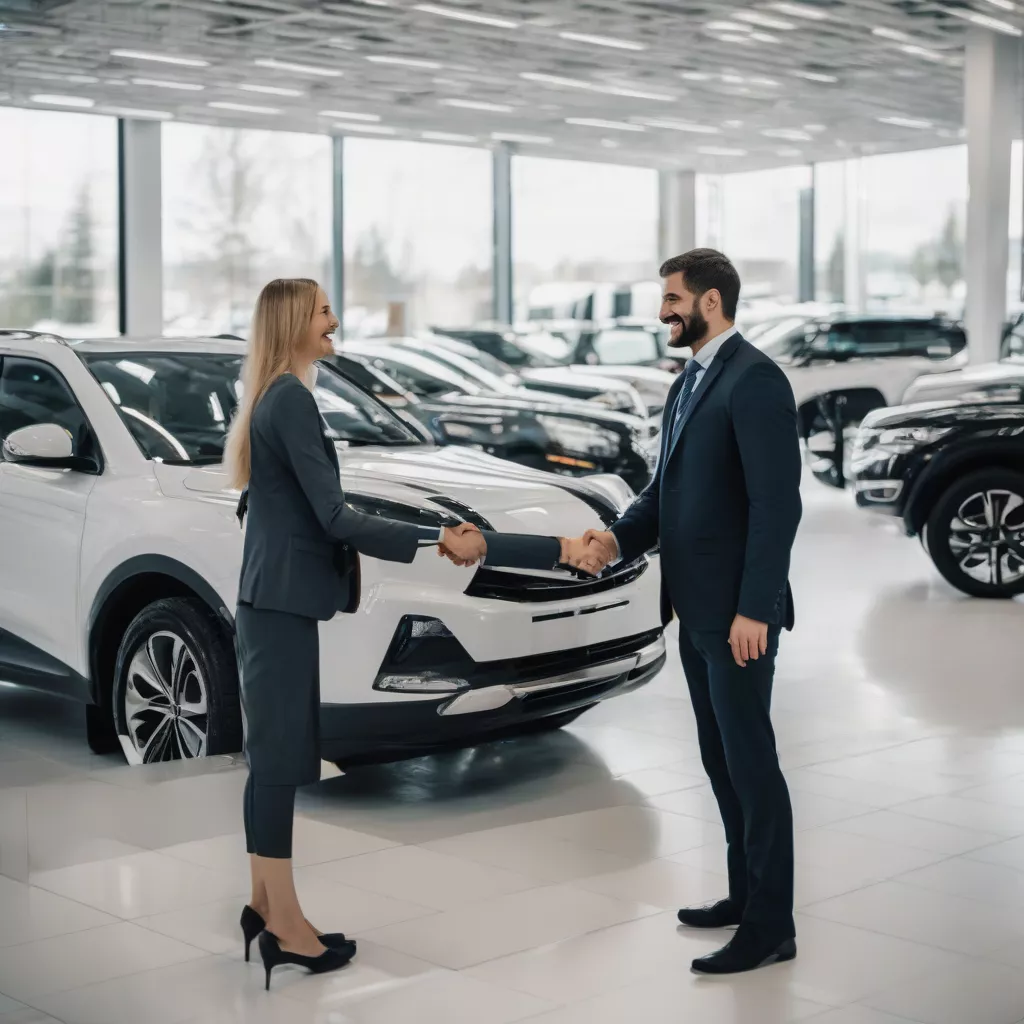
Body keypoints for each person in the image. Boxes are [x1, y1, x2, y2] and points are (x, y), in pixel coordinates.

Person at [226, 278, 600, 989]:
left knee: (271, 757)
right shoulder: (291, 399)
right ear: (295, 321)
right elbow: (335, 517)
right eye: (324, 311)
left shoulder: (274, 396)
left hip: (271, 602)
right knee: (278, 763)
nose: (335, 320)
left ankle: (265, 905)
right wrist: (443, 537)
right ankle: (285, 924)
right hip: (275, 607)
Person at [581, 249, 803, 975]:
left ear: (710, 302)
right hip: (696, 611)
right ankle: (746, 897)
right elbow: (665, 494)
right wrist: (615, 538)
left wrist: (756, 609)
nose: (662, 313)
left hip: (737, 618)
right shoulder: (689, 383)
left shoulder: (756, 380)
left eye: (672, 299)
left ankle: (771, 925)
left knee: (752, 765)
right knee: (720, 761)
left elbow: (778, 507)